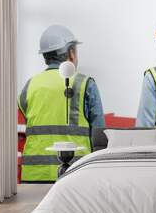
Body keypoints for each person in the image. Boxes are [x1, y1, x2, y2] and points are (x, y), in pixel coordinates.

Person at [18, 25, 104, 182]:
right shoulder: (84, 83)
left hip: (35, 173)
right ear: (71, 53)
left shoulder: (30, 85)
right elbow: (100, 137)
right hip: (76, 173)